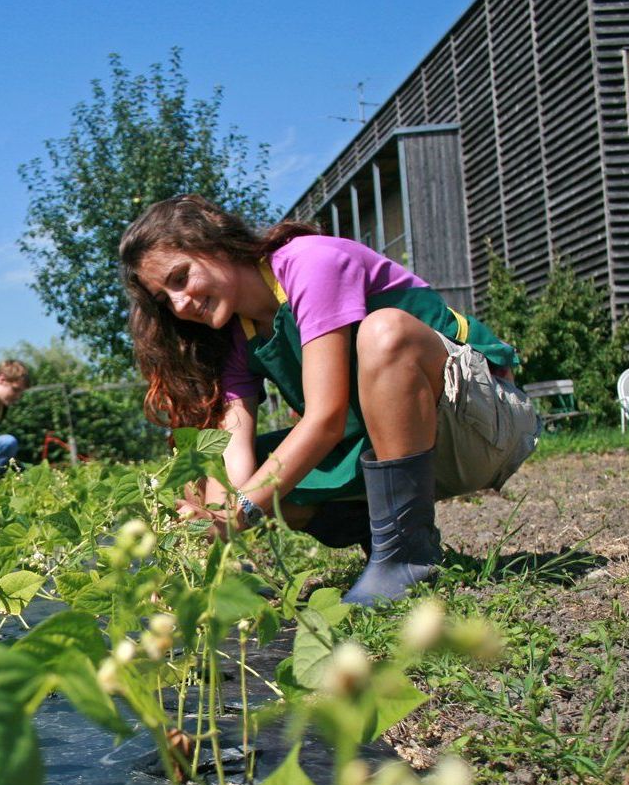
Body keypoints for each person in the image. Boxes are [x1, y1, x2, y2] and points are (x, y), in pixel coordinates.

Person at [119, 194, 539, 606]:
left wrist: (243, 510)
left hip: (480, 424)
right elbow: (235, 454)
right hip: (399, 449)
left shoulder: (308, 263)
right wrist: (207, 538)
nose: (179, 304)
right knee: (207, 459)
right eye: (164, 300)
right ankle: (372, 540)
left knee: (384, 333)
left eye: (180, 278)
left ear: (214, 241)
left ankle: (405, 554)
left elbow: (326, 419)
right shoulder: (235, 335)